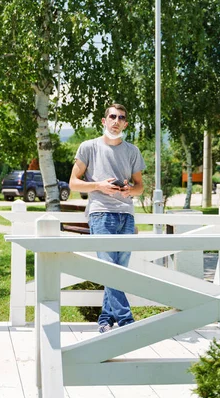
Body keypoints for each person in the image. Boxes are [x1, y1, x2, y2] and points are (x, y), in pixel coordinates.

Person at [69, 103, 145, 333]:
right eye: (112, 116)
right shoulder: (88, 147)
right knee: (109, 269)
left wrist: (128, 190)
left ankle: (104, 321)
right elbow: (73, 183)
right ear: (104, 121)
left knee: (118, 272)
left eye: (121, 117)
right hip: (100, 214)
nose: (116, 120)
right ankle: (126, 322)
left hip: (126, 216)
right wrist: (99, 185)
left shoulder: (132, 151)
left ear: (126, 124)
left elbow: (140, 187)